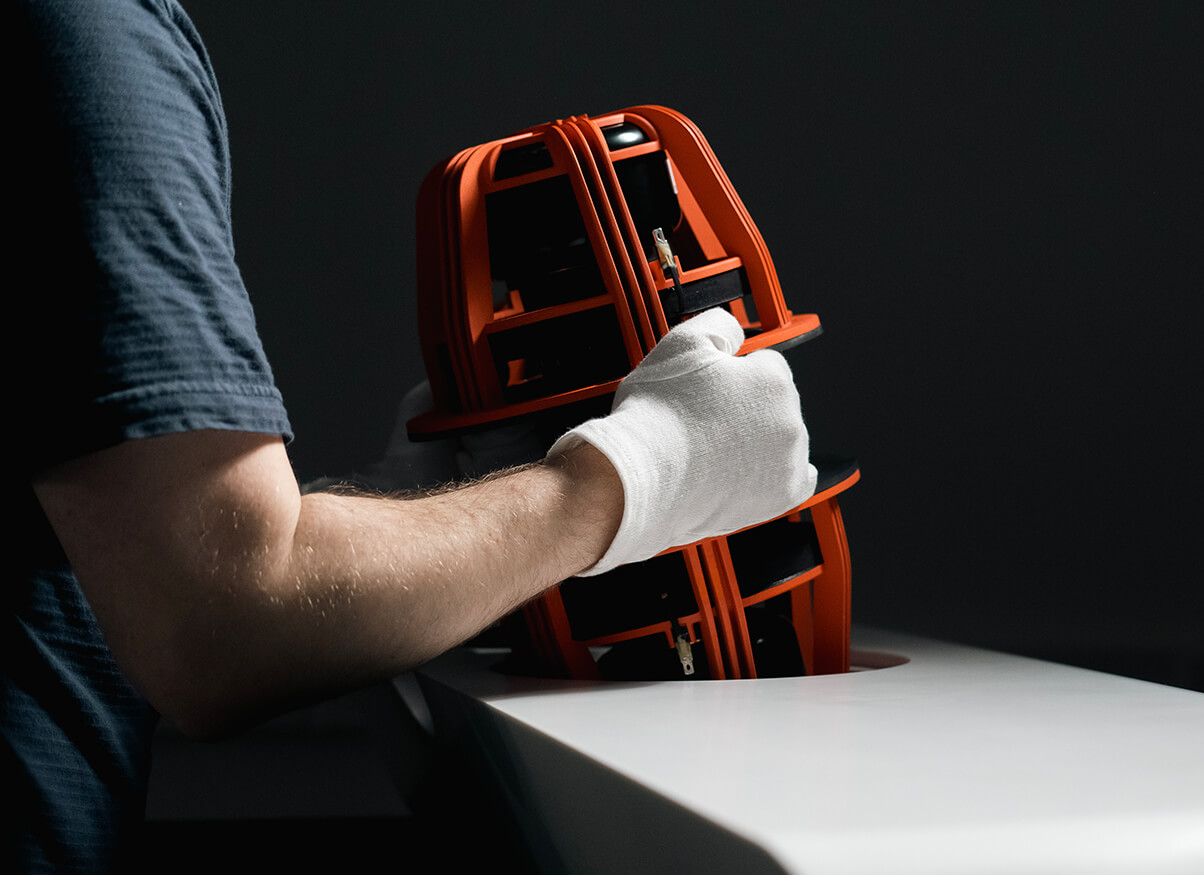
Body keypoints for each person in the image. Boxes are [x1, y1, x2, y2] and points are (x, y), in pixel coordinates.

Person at [5, 0, 816, 870]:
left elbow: (122, 550)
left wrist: (407, 515)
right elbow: (217, 624)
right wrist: (644, 468)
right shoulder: (73, 33)